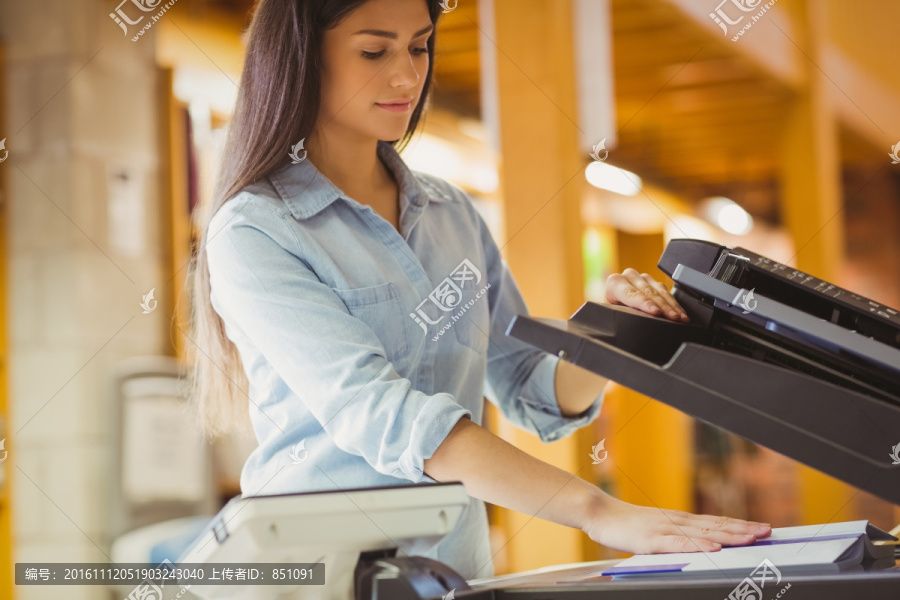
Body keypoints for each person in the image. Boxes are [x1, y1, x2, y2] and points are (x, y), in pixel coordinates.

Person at [188, 0, 771, 581]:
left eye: (418, 46)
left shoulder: (451, 214)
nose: (407, 76)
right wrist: (597, 512)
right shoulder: (256, 231)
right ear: (300, 59)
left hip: (453, 573)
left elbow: (529, 388)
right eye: (374, 51)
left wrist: (616, 330)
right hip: (324, 578)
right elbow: (382, 414)